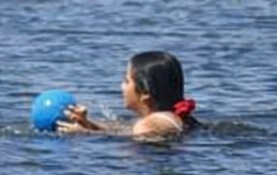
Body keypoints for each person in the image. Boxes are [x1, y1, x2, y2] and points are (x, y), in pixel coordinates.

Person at [59, 50, 198, 139]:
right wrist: (87, 123)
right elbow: (122, 132)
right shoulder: (170, 118)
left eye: (126, 81)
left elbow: (134, 138)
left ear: (145, 94)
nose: (122, 86)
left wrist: (85, 134)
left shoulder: (149, 124)